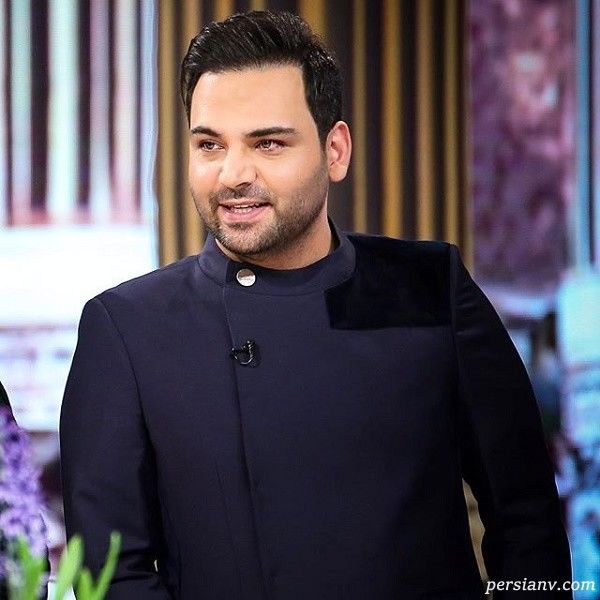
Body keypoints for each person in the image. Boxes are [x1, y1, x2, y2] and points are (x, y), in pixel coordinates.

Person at [60, 10, 572, 599]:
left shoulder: (429, 287)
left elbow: (527, 520)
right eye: (210, 145)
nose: (233, 174)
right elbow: (114, 574)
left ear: (335, 150)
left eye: (268, 143)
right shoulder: (127, 329)